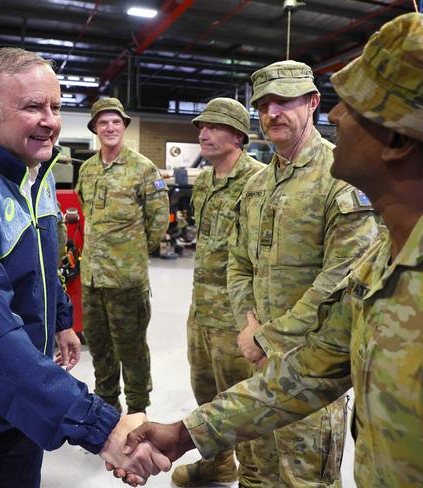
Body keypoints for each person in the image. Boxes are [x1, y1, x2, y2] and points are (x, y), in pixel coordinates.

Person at [120, 12, 423, 488]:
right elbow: (311, 373)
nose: (335, 116)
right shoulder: (392, 259)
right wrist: (184, 434)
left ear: (395, 138)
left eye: (352, 106)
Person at [0, 47, 170, 487]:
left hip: (22, 395)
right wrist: (100, 426)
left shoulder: (33, 170)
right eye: (32, 107)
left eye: (56, 106)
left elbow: (45, 261)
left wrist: (61, 319)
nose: (50, 120)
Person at [227, 60, 380, 487]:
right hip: (258, 362)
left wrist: (269, 338)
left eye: (284, 101)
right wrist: (249, 324)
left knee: (303, 480)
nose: (273, 112)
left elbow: (342, 278)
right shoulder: (256, 185)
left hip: (311, 370)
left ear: (312, 102)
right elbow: (237, 262)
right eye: (264, 104)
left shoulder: (341, 176)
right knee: (256, 473)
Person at [171, 98, 265, 487]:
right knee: (206, 394)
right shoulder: (206, 180)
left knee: (243, 402)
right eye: (200, 128)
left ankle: (255, 476)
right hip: (202, 311)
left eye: (214, 127)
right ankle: (218, 463)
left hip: (237, 315)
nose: (203, 134)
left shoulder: (259, 181)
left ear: (239, 136)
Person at [76, 97, 169, 415]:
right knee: (99, 347)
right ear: (95, 129)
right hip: (92, 279)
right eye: (103, 123)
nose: (110, 127)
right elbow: (86, 211)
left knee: (131, 350)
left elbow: (158, 220)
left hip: (126, 281)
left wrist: (133, 254)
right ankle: (106, 405)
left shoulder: (145, 169)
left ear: (124, 126)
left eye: (116, 121)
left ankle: (138, 410)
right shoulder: (87, 169)